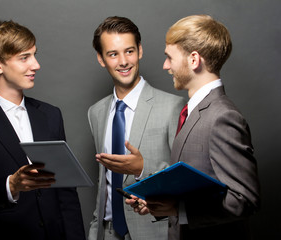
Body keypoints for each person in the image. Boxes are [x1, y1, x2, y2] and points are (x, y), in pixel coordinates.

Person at [126, 15, 260, 240]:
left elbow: (244, 201)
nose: (165, 65)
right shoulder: (192, 112)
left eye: (169, 57)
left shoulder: (223, 117)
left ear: (194, 60)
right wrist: (158, 202)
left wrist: (178, 209)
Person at [0, 20, 85, 240]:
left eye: (34, 54)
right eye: (24, 57)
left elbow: (66, 193)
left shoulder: (50, 114)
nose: (36, 65)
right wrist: (11, 185)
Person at [87, 16, 185, 240]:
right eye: (113, 54)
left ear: (140, 51)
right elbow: (105, 184)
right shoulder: (96, 112)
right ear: (101, 59)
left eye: (129, 51)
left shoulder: (173, 106)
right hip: (107, 232)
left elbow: (183, 176)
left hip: (154, 231)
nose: (123, 61)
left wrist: (142, 169)